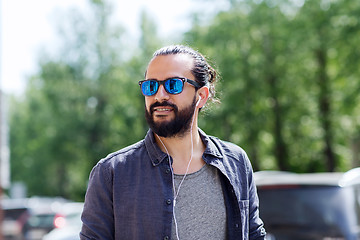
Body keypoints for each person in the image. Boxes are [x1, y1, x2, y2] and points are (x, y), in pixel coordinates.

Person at [80, 45, 266, 240]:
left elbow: (254, 234)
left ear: (201, 96)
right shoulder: (112, 173)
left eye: (173, 84)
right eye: (151, 86)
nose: (159, 96)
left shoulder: (235, 162)